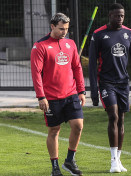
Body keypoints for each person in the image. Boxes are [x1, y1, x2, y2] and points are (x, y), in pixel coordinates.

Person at [89, 3, 131, 173]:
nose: (119, 19)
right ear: (109, 16)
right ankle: (113, 161)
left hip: (123, 83)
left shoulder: (129, 34)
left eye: (122, 15)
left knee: (121, 119)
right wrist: (93, 91)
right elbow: (92, 65)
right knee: (113, 115)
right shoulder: (99, 35)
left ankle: (119, 160)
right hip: (106, 82)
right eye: (116, 16)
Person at [31, 13, 86, 176]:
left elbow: (77, 67)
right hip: (51, 98)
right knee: (54, 130)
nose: (64, 32)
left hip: (71, 94)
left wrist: (81, 90)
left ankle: (69, 161)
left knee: (78, 126)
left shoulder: (70, 43)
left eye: (67, 29)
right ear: (52, 26)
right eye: (61, 29)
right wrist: (41, 96)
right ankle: (55, 166)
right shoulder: (40, 46)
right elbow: (36, 73)